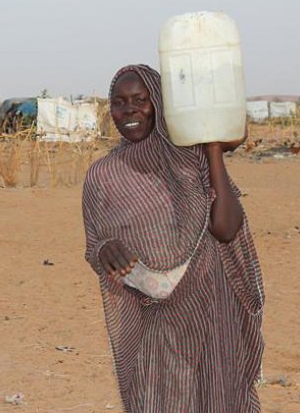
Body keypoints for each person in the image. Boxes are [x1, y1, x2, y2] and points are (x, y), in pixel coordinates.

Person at [82, 65, 264, 412]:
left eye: (141, 99)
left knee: (221, 399)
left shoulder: (190, 160)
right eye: (119, 102)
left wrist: (212, 150)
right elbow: (94, 244)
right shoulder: (102, 175)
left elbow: (226, 229)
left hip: (214, 314)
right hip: (158, 319)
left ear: (160, 103)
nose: (130, 110)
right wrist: (105, 250)